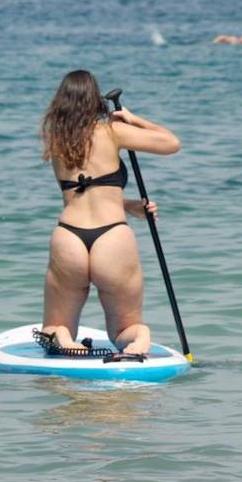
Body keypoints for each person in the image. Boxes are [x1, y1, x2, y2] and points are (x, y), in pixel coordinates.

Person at [38, 70, 180, 355]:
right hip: (112, 237)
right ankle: (139, 338)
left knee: (53, 327)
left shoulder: (56, 140)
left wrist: (128, 205)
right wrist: (132, 118)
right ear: (95, 101)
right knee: (122, 331)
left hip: (69, 238)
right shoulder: (112, 132)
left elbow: (79, 192)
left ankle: (63, 336)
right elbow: (170, 143)